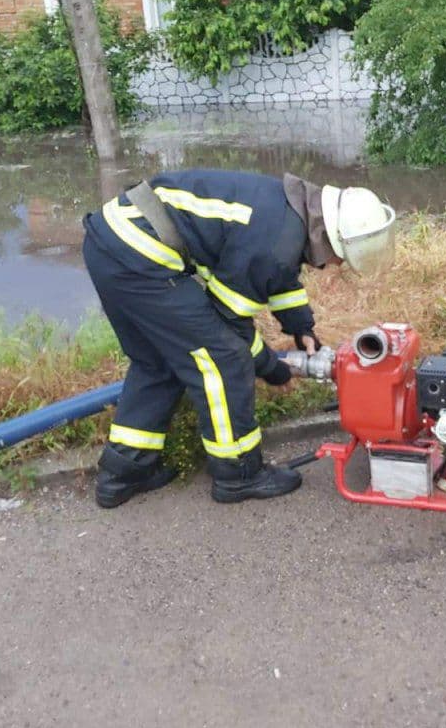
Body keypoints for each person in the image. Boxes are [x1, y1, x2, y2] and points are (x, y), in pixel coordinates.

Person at [81, 169, 397, 507]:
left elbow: (280, 276)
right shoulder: (276, 241)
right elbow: (229, 321)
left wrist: (301, 327)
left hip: (111, 243)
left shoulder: (290, 212)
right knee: (224, 360)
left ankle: (123, 473)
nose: (336, 265)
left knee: (157, 361)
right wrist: (270, 366)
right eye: (340, 258)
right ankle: (239, 474)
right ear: (332, 238)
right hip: (140, 256)